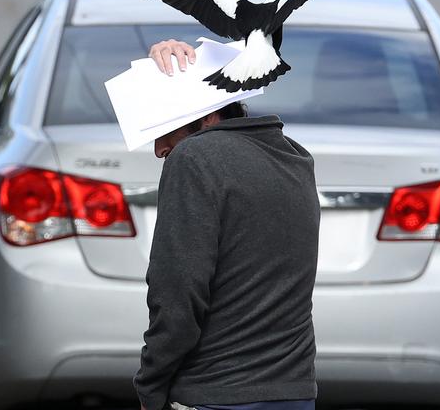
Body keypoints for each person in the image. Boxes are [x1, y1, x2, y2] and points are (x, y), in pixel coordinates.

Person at [134, 39, 321, 410]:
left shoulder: (195, 157)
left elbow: (178, 291)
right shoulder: (292, 156)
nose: (159, 149)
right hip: (294, 392)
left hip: (214, 392)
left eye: (165, 126)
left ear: (208, 116)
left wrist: (150, 387)